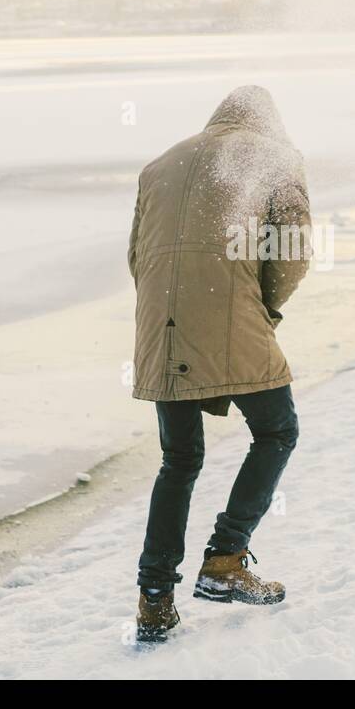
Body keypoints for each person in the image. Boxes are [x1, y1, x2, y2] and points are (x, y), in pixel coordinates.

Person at [126, 85, 312, 643]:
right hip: (232, 315)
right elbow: (292, 252)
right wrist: (264, 310)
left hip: (160, 328)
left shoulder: (159, 164)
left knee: (179, 459)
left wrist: (171, 311)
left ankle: (154, 599)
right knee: (278, 430)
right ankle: (226, 559)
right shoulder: (276, 157)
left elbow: (137, 256)